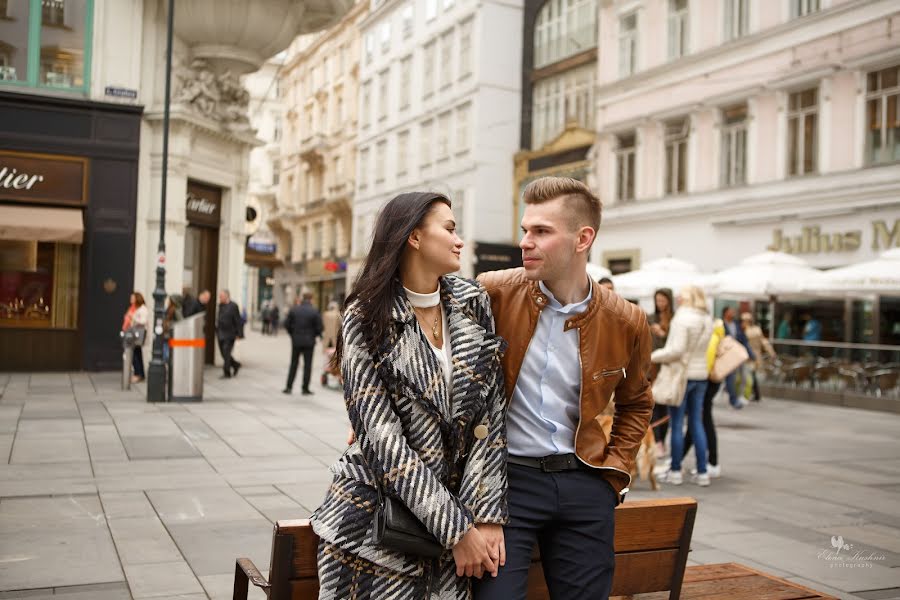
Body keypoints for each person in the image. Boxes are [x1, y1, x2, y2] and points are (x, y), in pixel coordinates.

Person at [310, 192, 508, 599]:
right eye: (450, 229)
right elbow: (382, 441)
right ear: (414, 237)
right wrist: (457, 530)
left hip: (456, 531)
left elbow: (491, 419)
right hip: (374, 532)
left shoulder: (473, 303)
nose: (459, 240)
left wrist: (486, 516)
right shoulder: (365, 317)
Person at [475, 176, 653, 600]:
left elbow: (637, 404)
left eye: (541, 231)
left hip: (585, 483)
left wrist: (614, 473)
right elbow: (413, 328)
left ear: (582, 238)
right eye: (525, 230)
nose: (526, 242)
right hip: (507, 484)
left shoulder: (626, 320)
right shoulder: (492, 292)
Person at [652, 286, 714, 487]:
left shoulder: (682, 318)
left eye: (682, 294)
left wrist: (653, 356)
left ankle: (676, 470)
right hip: (700, 374)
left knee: (677, 424)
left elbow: (676, 350)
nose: (678, 298)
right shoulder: (706, 318)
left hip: (681, 375)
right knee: (696, 422)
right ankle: (703, 471)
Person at [683, 318, 726, 479]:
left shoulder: (711, 337)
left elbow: (706, 364)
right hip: (711, 383)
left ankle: (712, 463)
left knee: (701, 421)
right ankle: (681, 458)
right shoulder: (717, 334)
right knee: (698, 422)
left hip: (705, 382)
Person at [649, 288, 675, 458]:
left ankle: (661, 441)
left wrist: (664, 334)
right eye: (658, 300)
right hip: (651, 368)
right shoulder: (650, 318)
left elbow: (674, 346)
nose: (660, 304)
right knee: (652, 406)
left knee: (663, 406)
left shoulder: (675, 320)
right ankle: (656, 440)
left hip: (667, 368)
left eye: (663, 300)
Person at [283, 293, 323, 395]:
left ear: (302, 299)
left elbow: (286, 324)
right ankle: (305, 388)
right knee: (307, 365)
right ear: (311, 299)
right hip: (309, 342)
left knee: (293, 364)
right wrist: (314, 334)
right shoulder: (314, 311)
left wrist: (293, 334)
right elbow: (320, 327)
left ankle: (288, 387)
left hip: (296, 341)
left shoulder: (294, 310)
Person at [721, 306, 754, 409]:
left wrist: (751, 354)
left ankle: (735, 397)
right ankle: (733, 398)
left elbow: (744, 340)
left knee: (740, 376)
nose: (733, 313)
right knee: (730, 377)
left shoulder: (737, 325)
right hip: (726, 356)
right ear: (725, 313)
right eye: (731, 311)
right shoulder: (720, 325)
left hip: (738, 355)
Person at [741, 312, 775, 402]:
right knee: (752, 375)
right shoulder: (756, 330)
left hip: (748, 356)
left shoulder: (744, 331)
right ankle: (756, 394)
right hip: (754, 356)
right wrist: (771, 351)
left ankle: (748, 395)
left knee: (749, 376)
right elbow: (764, 342)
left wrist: (771, 352)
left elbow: (763, 341)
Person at [122, 291, 149, 383]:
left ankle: (138, 374)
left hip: (138, 333)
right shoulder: (135, 308)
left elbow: (143, 321)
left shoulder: (142, 309)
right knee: (137, 353)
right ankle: (140, 374)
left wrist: (132, 317)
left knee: (135, 354)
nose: (131, 300)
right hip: (133, 333)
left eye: (133, 298)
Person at [216, 289, 243, 379]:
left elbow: (238, 320)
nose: (220, 298)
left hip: (230, 334)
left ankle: (226, 373)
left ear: (227, 296)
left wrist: (239, 334)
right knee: (223, 354)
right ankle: (236, 365)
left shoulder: (233, 306)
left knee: (226, 353)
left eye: (221, 296)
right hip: (220, 333)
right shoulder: (221, 306)